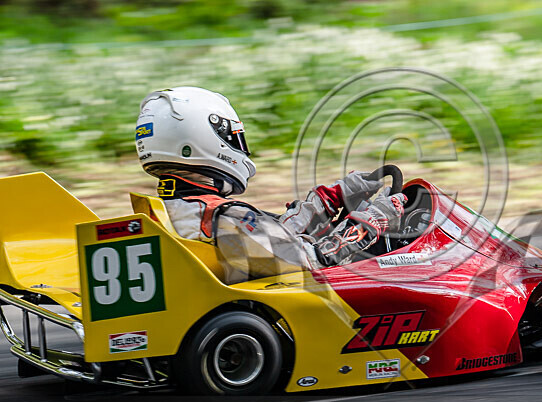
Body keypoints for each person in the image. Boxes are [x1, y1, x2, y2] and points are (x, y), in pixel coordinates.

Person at [135, 87, 406, 283]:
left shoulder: (175, 211)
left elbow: (269, 243)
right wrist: (370, 221)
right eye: (233, 137)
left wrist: (328, 200)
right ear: (200, 140)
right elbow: (311, 260)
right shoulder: (225, 218)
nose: (239, 148)